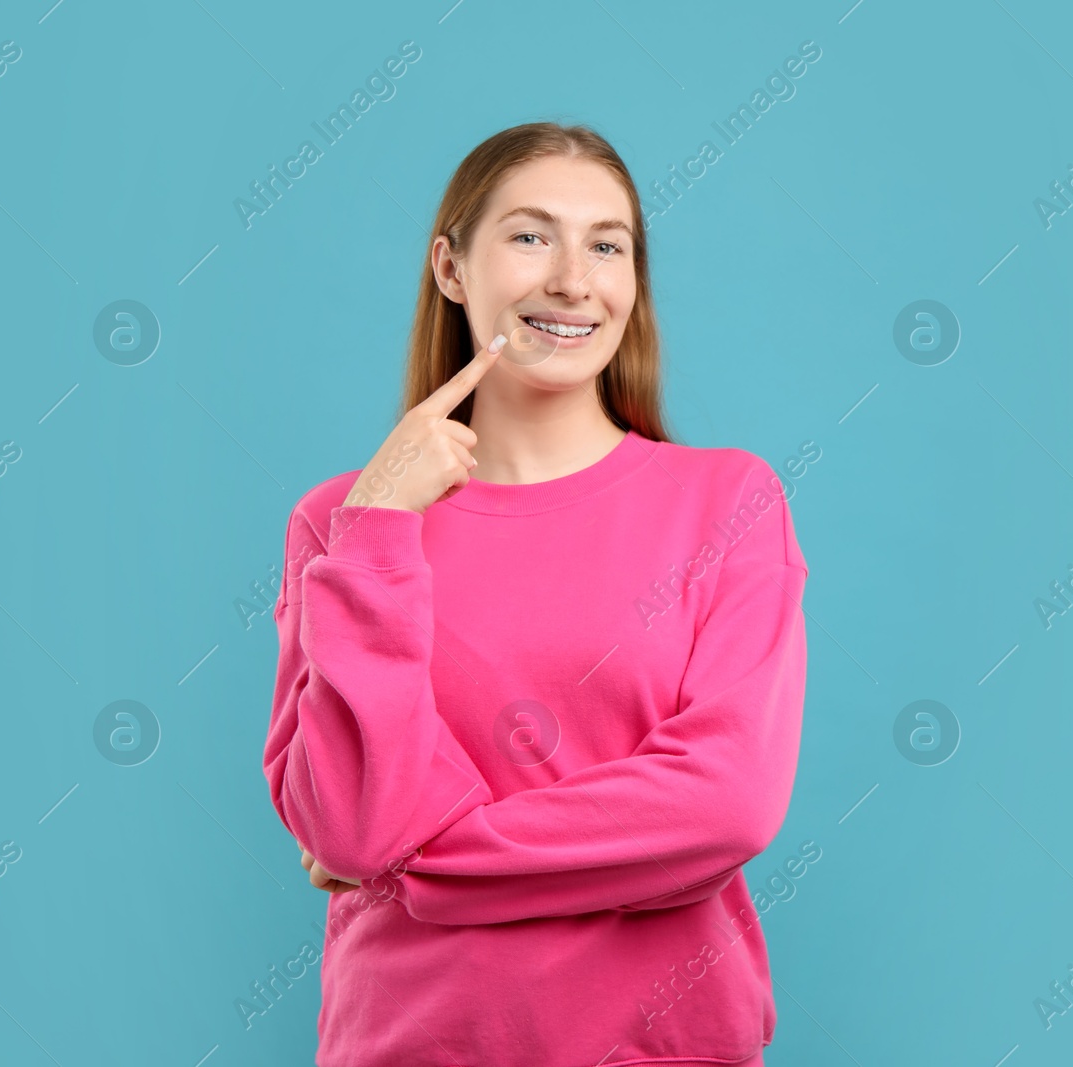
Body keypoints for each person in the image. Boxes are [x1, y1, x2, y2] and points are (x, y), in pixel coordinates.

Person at [261, 122, 810, 1067]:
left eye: (607, 244)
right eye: (529, 236)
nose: (572, 278)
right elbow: (350, 824)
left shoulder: (728, 502)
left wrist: (415, 864)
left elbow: (727, 803)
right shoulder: (343, 521)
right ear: (450, 267)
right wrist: (381, 529)